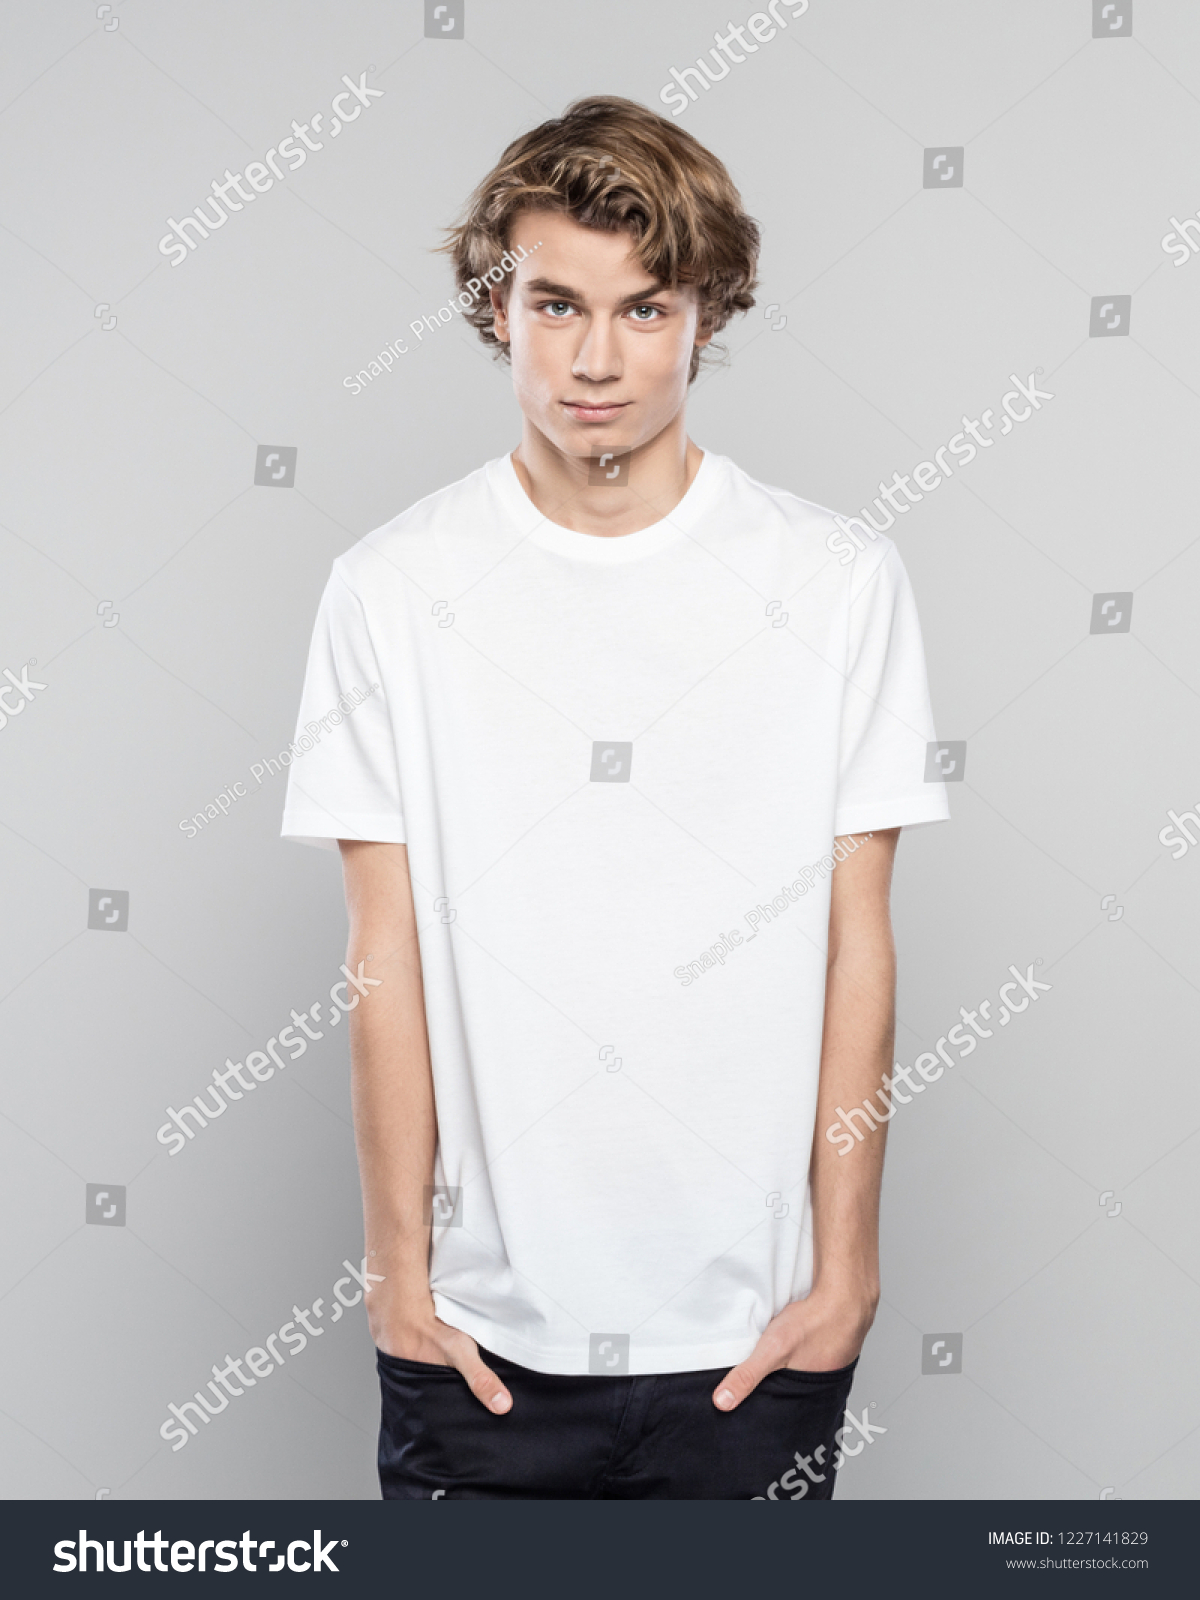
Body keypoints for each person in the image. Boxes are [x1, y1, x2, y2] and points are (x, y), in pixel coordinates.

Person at [282, 95, 949, 1499]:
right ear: (496, 307)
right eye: (555, 304)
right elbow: (381, 961)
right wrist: (398, 1282)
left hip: (751, 1353)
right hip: (477, 1351)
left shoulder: (836, 583)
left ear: (707, 314)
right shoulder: (391, 594)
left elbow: (858, 949)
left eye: (646, 311)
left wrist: (849, 1274)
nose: (598, 360)